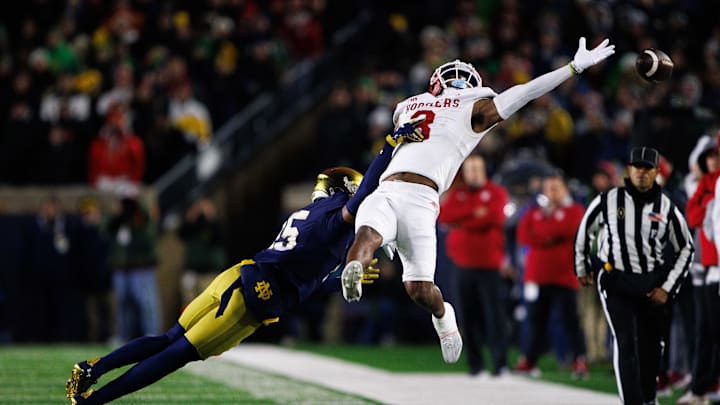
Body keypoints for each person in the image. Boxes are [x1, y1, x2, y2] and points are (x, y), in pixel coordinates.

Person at [64, 119, 425, 404]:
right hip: (255, 295)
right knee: (176, 355)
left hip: (241, 273)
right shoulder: (336, 214)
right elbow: (365, 195)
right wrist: (390, 148)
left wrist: (340, 276)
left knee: (168, 338)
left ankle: (95, 367)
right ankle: (98, 399)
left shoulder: (310, 213)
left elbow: (307, 272)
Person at [340, 36, 616, 363]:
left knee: (419, 290)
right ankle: (355, 268)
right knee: (367, 234)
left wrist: (571, 69)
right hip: (387, 188)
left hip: (422, 197)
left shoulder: (473, 106)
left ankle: (443, 316)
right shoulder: (409, 105)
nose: (458, 78)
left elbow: (526, 92)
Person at [574, 146, 694, 405]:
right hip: (615, 280)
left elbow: (686, 247)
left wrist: (669, 286)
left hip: (651, 283)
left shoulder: (667, 206)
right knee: (626, 341)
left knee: (651, 347)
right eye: (637, 167)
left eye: (647, 168)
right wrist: (582, 267)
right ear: (628, 170)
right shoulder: (608, 199)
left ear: (656, 173)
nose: (641, 173)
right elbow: (586, 230)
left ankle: (648, 398)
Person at [437, 153, 510, 376]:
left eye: (477, 169)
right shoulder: (458, 193)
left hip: (489, 264)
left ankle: (500, 365)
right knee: (468, 317)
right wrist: (473, 213)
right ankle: (475, 365)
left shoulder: (496, 192)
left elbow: (494, 218)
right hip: (462, 265)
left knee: (494, 316)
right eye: (470, 169)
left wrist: (463, 220)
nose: (473, 173)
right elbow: (445, 216)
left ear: (484, 170)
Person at [514, 170, 587, 379]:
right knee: (535, 321)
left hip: (564, 276)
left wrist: (543, 234)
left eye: (555, 188)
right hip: (537, 276)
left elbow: (567, 229)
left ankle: (579, 360)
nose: (551, 192)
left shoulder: (574, 210)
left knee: (570, 321)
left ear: (564, 189)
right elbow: (524, 234)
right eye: (548, 188)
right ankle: (529, 360)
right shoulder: (534, 212)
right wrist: (548, 235)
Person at [678, 134, 720, 404]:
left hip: (715, 267)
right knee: (705, 332)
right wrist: (707, 207)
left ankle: (705, 386)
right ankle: (700, 388)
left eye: (716, 155)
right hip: (708, 267)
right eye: (710, 156)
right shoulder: (705, 184)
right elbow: (692, 215)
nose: (713, 160)